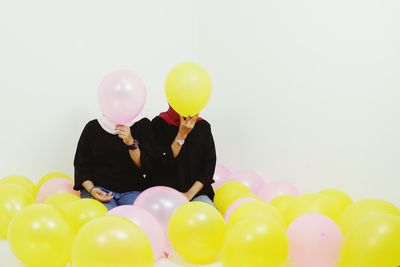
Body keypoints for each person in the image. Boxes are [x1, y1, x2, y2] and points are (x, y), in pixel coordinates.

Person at [73, 116, 155, 210]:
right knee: (109, 220)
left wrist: (130, 142)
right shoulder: (92, 127)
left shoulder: (142, 125)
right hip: (99, 188)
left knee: (136, 218)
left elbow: (148, 166)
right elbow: (81, 165)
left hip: (132, 191)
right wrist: (92, 190)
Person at [151, 106, 216, 205]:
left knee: (211, 218)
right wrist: (181, 135)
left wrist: (188, 195)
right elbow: (159, 165)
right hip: (164, 194)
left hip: (196, 194)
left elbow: (208, 167)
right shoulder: (158, 123)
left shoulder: (203, 126)